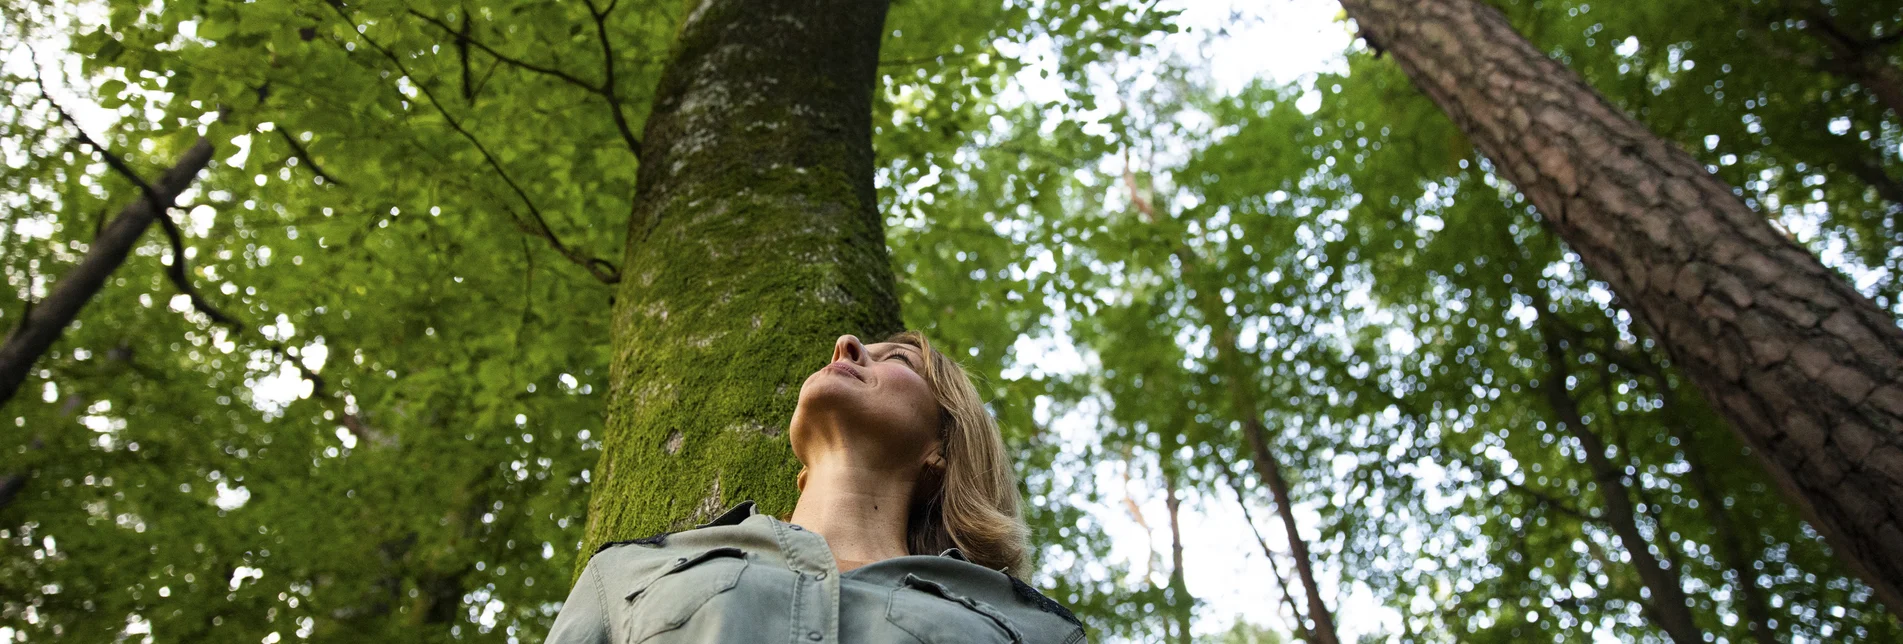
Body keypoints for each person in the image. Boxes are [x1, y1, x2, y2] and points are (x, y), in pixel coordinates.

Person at [547, 332, 1087, 643]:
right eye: (855, 347)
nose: (846, 345)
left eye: (897, 360)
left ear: (942, 447)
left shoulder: (1034, 629)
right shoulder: (621, 574)